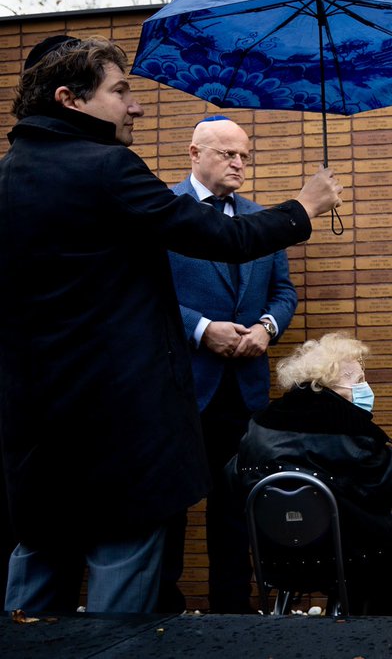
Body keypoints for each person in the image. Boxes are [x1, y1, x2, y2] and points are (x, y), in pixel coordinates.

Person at [0, 35, 342, 614]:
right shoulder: (108, 169)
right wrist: (304, 207)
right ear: (69, 99)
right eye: (120, 91)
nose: (135, 106)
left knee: (38, 565)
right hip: (119, 424)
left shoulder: (8, 175)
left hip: (35, 425)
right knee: (125, 575)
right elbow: (222, 239)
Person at [157, 116, 298, 614]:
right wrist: (201, 328)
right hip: (179, 391)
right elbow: (143, 294)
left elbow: (283, 292)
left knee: (237, 514)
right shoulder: (162, 211)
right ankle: (161, 620)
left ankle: (234, 618)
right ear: (195, 153)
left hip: (243, 394)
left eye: (244, 155)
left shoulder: (261, 219)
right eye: (227, 154)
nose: (240, 163)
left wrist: (266, 327)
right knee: (169, 512)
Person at [228, 332, 392, 614]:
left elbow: (234, 478)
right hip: (351, 555)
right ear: (332, 384)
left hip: (278, 557)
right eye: (359, 380)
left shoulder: (261, 425)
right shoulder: (349, 428)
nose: (366, 387)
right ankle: (383, 629)